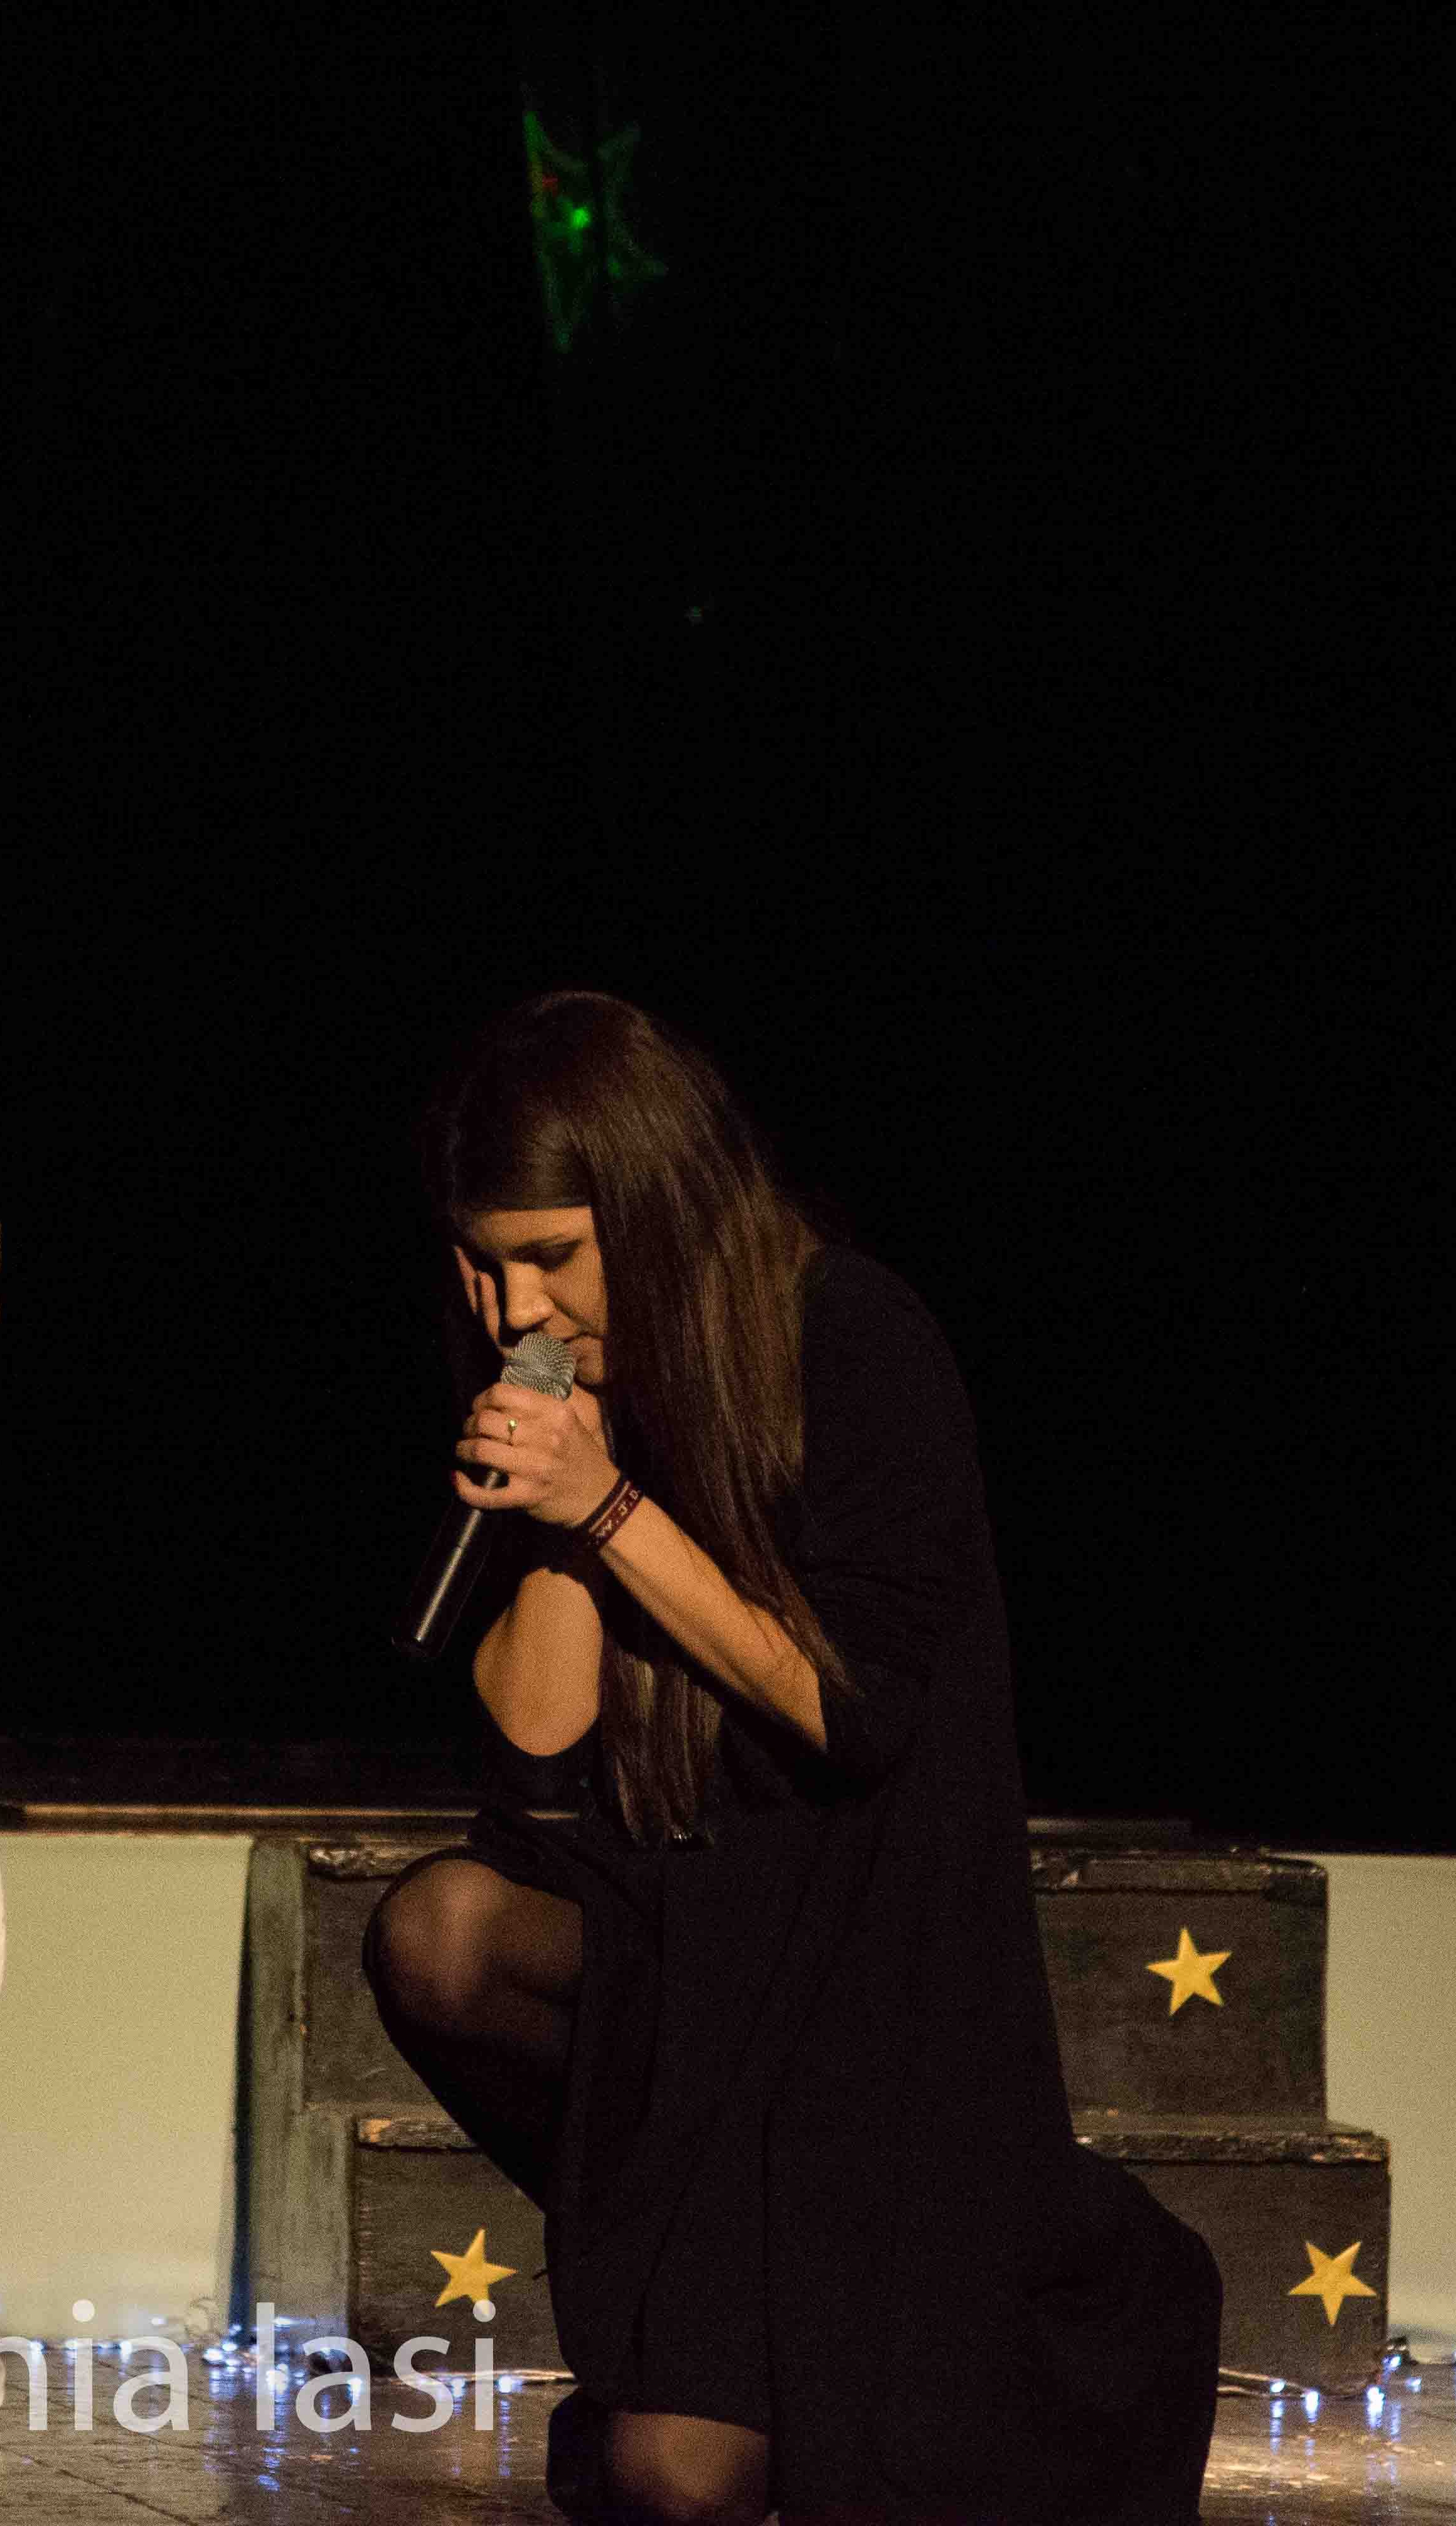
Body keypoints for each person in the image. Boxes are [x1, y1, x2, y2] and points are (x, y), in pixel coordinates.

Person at [366, 990, 1223, 2523]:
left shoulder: (853, 1334)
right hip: (678, 1950)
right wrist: (561, 1508)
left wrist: (611, 1510)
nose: (512, 1308)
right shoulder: (573, 1379)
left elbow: (853, 1711)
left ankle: (1073, 2272)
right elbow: (538, 1763)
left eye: (550, 1256)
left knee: (676, 2477)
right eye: (483, 1265)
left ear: (651, 1199)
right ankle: (682, 2268)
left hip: (858, 1971)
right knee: (439, 1929)